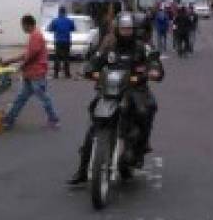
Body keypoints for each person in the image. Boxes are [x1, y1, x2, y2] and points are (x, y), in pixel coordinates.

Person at [67, 12, 164, 184]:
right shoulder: (109, 47)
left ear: (134, 30)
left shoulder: (142, 47)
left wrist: (153, 70)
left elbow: (154, 61)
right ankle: (83, 169)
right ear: (117, 29)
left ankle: (141, 147)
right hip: (110, 90)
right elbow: (95, 60)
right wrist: (87, 69)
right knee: (94, 125)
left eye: (129, 29)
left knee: (146, 109)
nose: (126, 32)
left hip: (134, 89)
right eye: (123, 29)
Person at [1, 14, 60, 131]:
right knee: (21, 98)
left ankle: (54, 120)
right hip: (30, 73)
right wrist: (11, 61)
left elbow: (31, 56)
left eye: (22, 26)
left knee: (43, 98)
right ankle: (9, 119)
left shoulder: (36, 36)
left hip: (36, 73)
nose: (22, 28)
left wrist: (19, 66)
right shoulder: (34, 36)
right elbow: (27, 54)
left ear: (27, 25)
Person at [48, 6, 76, 80]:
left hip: (58, 41)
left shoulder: (55, 20)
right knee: (66, 57)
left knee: (57, 57)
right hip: (67, 41)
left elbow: (50, 29)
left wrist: (56, 30)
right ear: (65, 12)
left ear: (59, 12)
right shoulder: (69, 21)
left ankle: (56, 74)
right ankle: (67, 74)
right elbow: (73, 29)